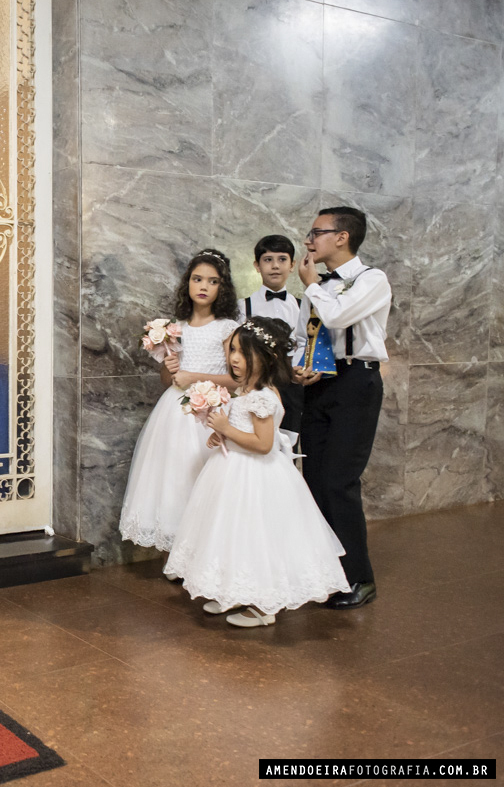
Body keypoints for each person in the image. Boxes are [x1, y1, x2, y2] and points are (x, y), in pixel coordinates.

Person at [166, 318, 349, 627]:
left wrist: (227, 428)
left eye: (244, 353)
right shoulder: (242, 391)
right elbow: (243, 431)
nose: (234, 358)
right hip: (232, 471)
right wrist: (221, 435)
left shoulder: (263, 396)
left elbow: (263, 444)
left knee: (256, 537)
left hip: (256, 476)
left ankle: (265, 607)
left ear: (266, 358)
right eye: (233, 350)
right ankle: (235, 591)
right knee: (231, 535)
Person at [292, 206, 390, 610]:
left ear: (342, 237)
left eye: (317, 232)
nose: (309, 240)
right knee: (313, 477)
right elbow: (305, 334)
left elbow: (337, 316)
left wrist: (313, 284)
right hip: (321, 384)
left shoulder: (373, 280)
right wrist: (301, 366)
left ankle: (359, 578)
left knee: (339, 480)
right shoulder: (318, 284)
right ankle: (326, 573)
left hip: (357, 383)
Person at [120, 250, 241, 553]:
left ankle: (208, 547)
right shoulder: (177, 328)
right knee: (174, 480)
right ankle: (181, 549)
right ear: (187, 283)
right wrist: (170, 368)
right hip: (175, 413)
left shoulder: (227, 328)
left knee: (208, 477)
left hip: (213, 412)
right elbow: (168, 379)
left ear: (221, 288)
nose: (203, 286)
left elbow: (238, 379)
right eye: (198, 279)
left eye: (212, 281)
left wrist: (193, 376)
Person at [238, 235, 304, 435]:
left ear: (292, 265)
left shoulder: (302, 306)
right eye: (268, 260)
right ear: (257, 266)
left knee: (288, 442)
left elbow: (304, 343)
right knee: (254, 439)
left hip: (291, 385)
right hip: (255, 385)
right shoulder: (243, 306)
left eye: (282, 259)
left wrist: (298, 369)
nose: (275, 266)